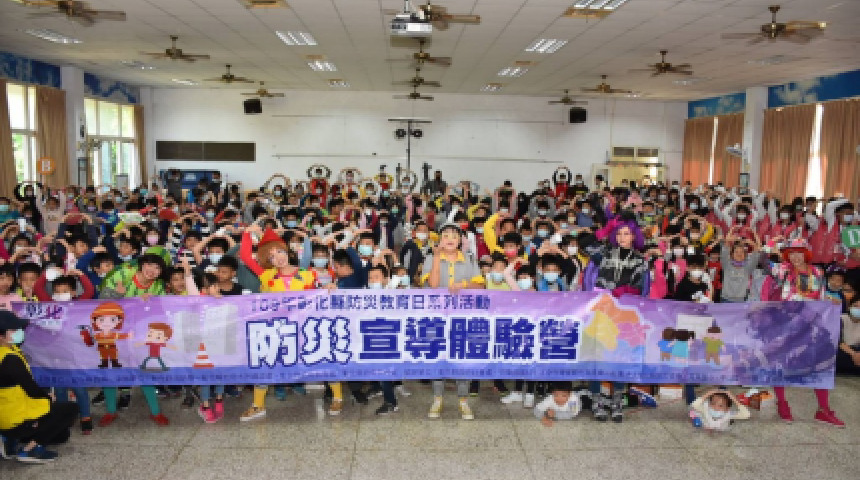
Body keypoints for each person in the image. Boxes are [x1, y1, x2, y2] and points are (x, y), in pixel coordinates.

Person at [0, 310, 78, 463]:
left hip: (7, 414)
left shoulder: (9, 349)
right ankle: (30, 450)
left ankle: (10, 440)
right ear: (1, 336)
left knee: (62, 435)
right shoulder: (10, 360)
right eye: (14, 330)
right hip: (16, 419)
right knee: (70, 409)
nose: (20, 332)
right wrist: (48, 397)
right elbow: (32, 390)